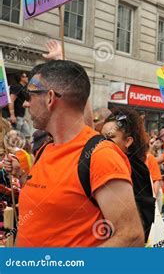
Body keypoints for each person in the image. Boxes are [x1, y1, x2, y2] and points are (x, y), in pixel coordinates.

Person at [4, 60, 143, 247]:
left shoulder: (101, 155)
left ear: (50, 98)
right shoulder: (45, 149)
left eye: (30, 95)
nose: (27, 104)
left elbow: (131, 237)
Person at [101, 107, 156, 242]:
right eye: (101, 138)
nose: (104, 143)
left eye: (111, 137)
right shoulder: (104, 161)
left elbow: (142, 215)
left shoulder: (135, 168)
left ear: (128, 141)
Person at [7, 72, 31, 139]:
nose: (27, 78)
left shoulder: (23, 88)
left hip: (21, 116)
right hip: (16, 116)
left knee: (27, 135)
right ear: (21, 78)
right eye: (26, 76)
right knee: (16, 137)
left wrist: (24, 117)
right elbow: (11, 100)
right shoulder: (16, 87)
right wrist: (12, 115)